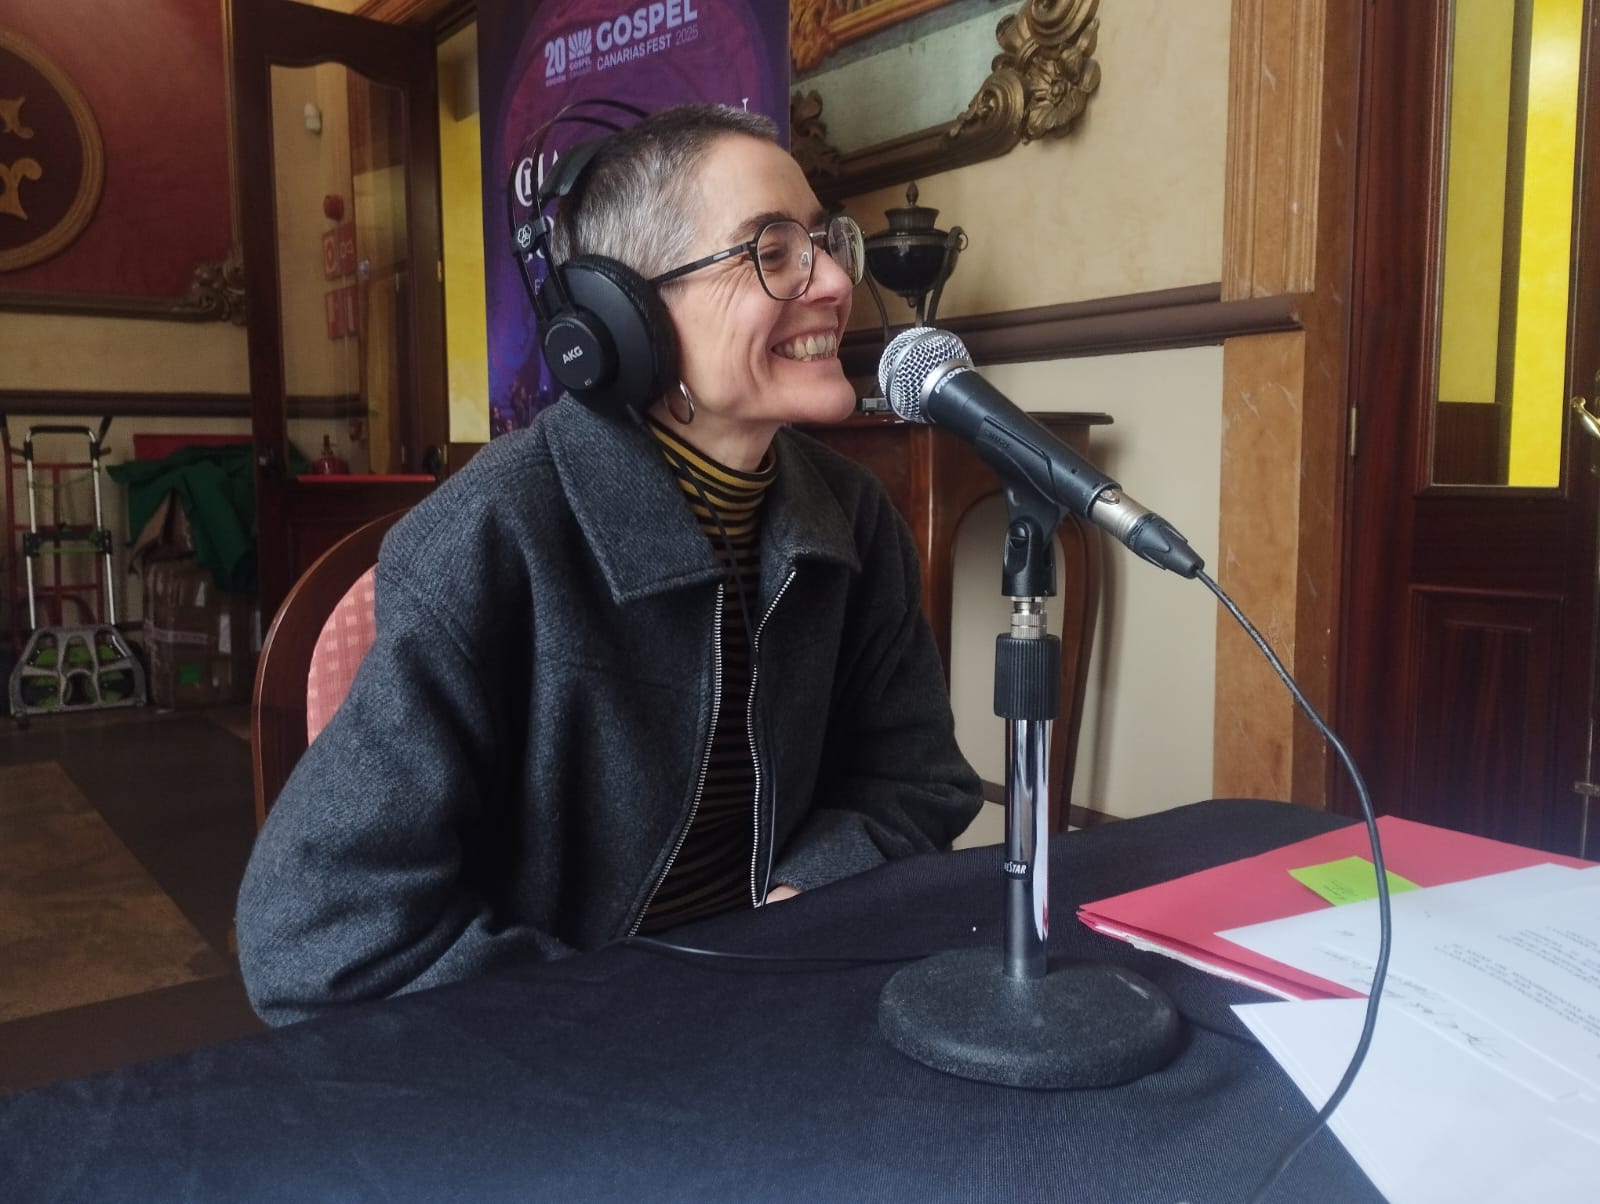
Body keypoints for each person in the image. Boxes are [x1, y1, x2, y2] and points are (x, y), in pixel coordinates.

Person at [235, 104, 982, 1026]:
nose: (833, 280)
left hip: (786, 1001)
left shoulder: (854, 516)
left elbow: (916, 781)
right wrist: (611, 1008)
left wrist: (803, 898)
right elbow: (319, 935)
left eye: (827, 243)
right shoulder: (489, 535)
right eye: (772, 250)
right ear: (622, 316)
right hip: (563, 1054)